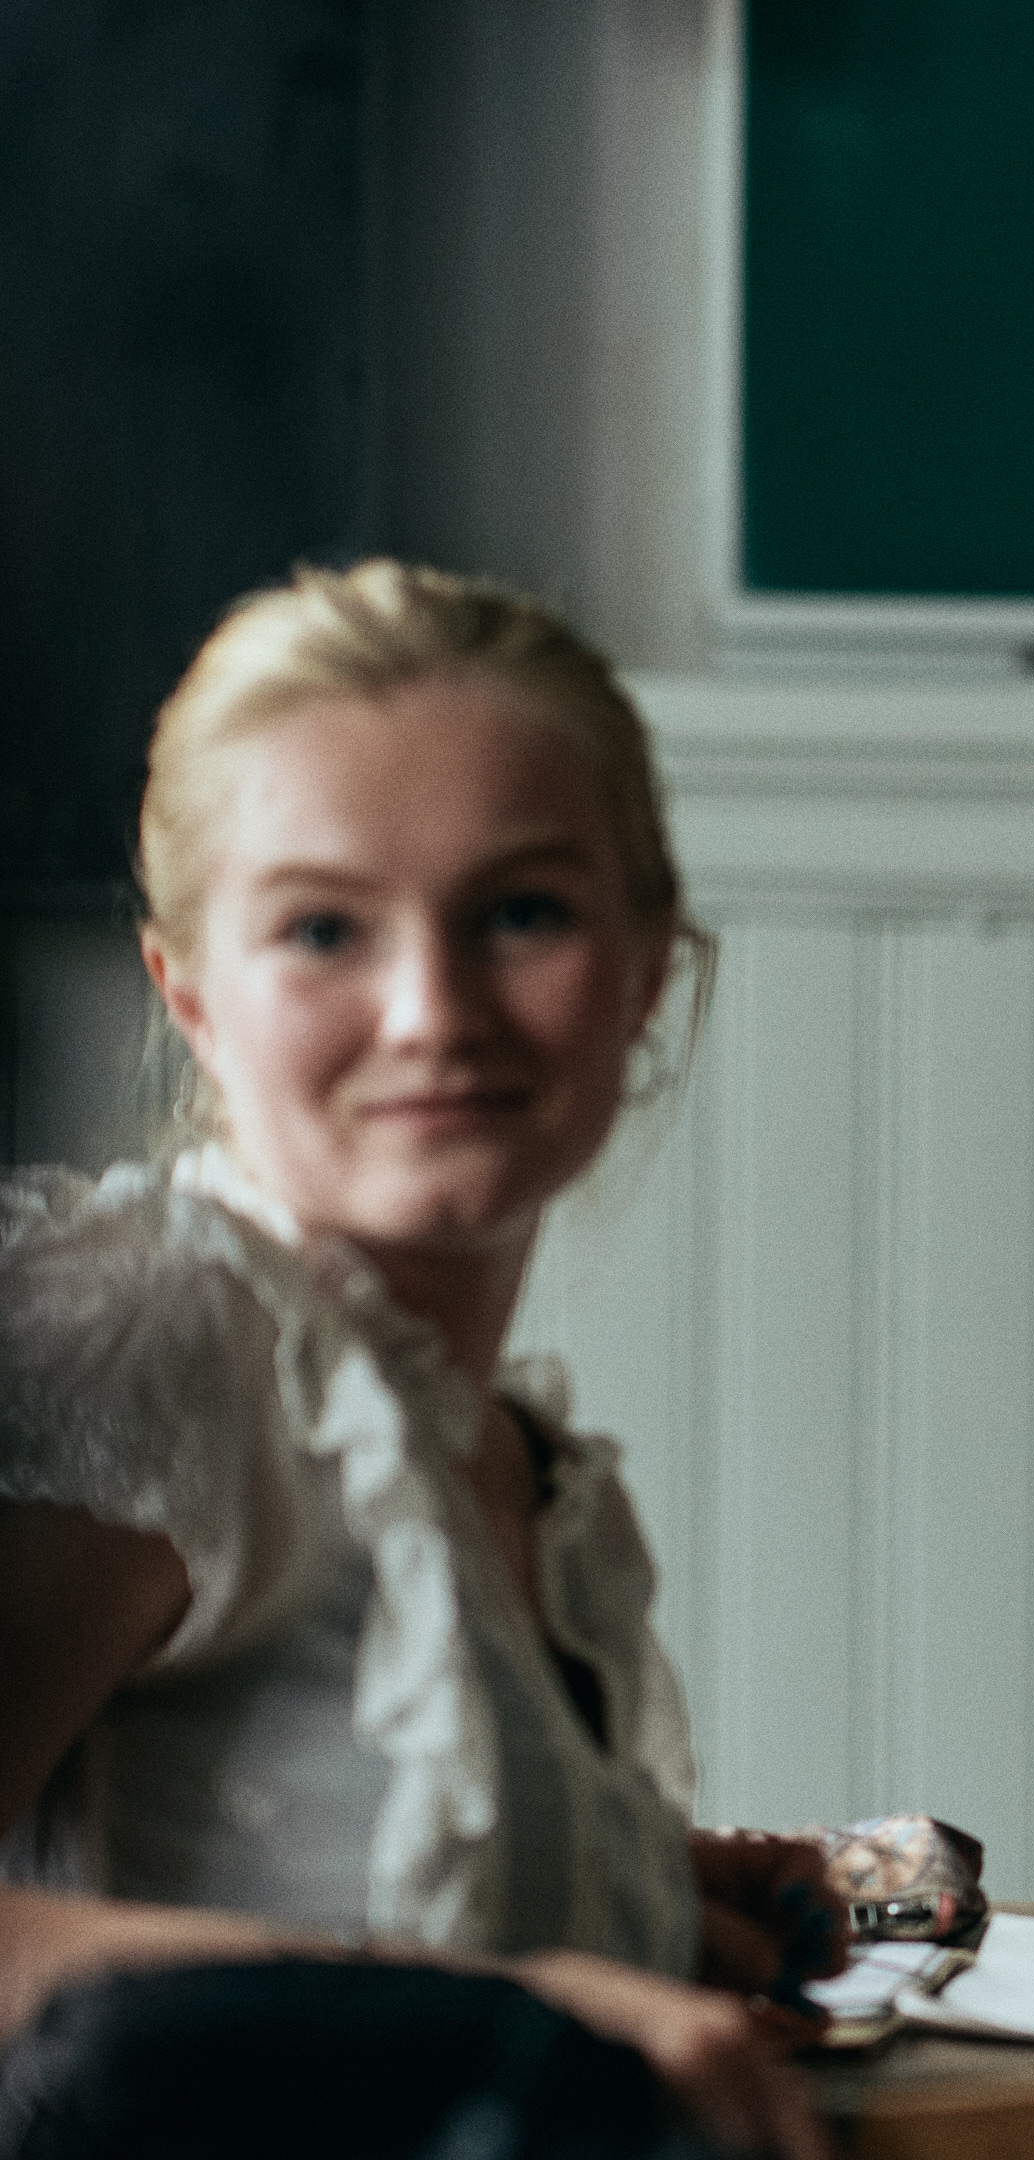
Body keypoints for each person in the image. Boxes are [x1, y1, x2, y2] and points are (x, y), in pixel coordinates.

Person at [0, 561, 835, 2156]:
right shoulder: (140, 1337)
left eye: (520, 913)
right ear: (187, 992)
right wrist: (509, 2019)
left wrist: (636, 1903)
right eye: (324, 930)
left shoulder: (512, 1464)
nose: (430, 1012)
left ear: (649, 963)